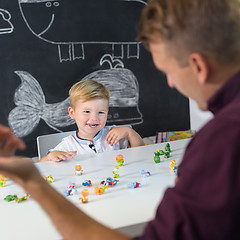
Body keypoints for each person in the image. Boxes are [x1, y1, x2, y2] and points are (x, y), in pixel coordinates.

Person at [0, 0, 240, 239]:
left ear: (198, 66)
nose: (170, 83)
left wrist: (33, 183)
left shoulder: (220, 139)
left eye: (167, 71)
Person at [40, 79, 144, 162]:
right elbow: (41, 166)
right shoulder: (68, 145)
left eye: (101, 112)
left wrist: (129, 132)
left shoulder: (114, 135)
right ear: (72, 113)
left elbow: (141, 152)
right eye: (86, 111)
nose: (94, 118)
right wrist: (50, 157)